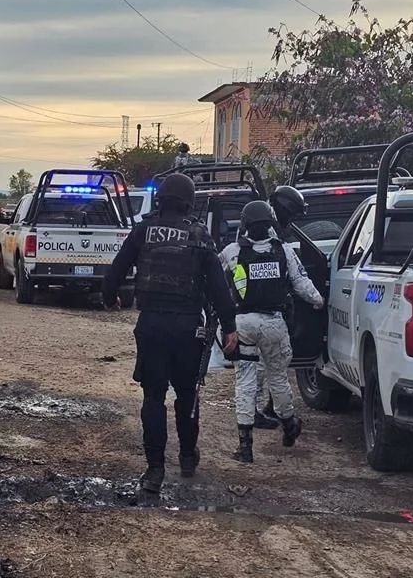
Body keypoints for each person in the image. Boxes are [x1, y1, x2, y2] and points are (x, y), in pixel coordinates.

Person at [103, 173, 239, 494]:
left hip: (151, 326)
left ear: (160, 199)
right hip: (188, 328)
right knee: (187, 394)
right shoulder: (200, 236)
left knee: (153, 398)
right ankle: (188, 458)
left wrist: (110, 297)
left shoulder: (143, 231)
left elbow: (116, 269)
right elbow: (219, 289)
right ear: (189, 202)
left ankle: (154, 470)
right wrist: (230, 327)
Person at [219, 200, 324, 463]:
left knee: (244, 381)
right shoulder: (284, 251)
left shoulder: (232, 252)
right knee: (278, 378)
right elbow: (302, 284)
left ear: (244, 224)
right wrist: (319, 301)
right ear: (270, 224)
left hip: (242, 323)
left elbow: (215, 280)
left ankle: (245, 449)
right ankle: (289, 425)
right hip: (274, 324)